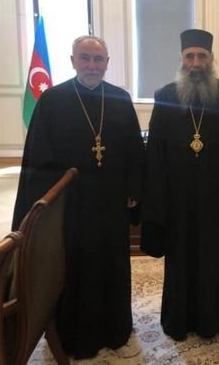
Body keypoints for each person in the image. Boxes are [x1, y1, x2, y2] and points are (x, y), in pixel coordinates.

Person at [13, 35, 146, 359]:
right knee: (73, 267)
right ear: (73, 61)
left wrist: (134, 188)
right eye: (85, 58)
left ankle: (115, 328)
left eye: (98, 59)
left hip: (111, 201)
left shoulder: (119, 99)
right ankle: (74, 335)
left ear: (107, 63)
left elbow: (134, 150)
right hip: (70, 205)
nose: (92, 66)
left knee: (112, 264)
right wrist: (47, 202)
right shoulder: (52, 101)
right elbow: (38, 159)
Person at [141, 29, 219, 341]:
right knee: (180, 258)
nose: (196, 63)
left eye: (202, 56)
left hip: (217, 195)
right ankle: (179, 318)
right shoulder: (165, 95)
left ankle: (215, 318)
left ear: (211, 59)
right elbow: (155, 148)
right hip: (178, 196)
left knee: (215, 258)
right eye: (190, 56)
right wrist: (157, 195)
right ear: (181, 58)